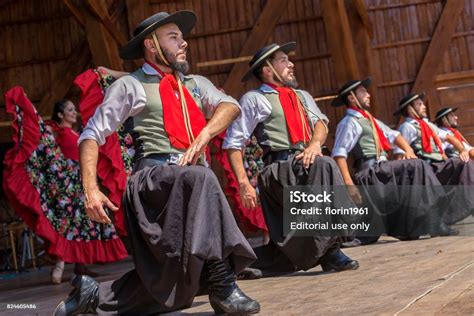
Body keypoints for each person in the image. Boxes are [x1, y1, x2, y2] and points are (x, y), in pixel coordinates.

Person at [54, 10, 259, 315]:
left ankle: (92, 297)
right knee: (201, 177)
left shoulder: (194, 84)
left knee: (177, 287)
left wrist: (204, 134)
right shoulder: (130, 86)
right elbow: (91, 134)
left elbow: (229, 106)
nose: (184, 43)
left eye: (182, 36)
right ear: (151, 44)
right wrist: (90, 190)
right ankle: (222, 284)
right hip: (152, 182)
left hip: (188, 184)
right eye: (174, 37)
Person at [224, 42, 359, 273]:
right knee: (325, 165)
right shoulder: (254, 99)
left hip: (307, 162)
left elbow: (320, 124)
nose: (291, 64)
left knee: (321, 163)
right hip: (277, 169)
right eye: (284, 60)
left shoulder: (302, 96)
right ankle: (331, 251)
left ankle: (326, 249)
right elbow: (233, 144)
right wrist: (244, 184)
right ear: (267, 69)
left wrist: (315, 144)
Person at [3, 89, 128, 285]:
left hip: (81, 184)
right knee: (68, 224)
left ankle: (80, 267)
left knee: (85, 223)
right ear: (60, 114)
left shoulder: (77, 132)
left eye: (74, 109)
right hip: (65, 186)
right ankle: (61, 265)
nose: (74, 112)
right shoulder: (56, 132)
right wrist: (26, 105)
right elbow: (41, 139)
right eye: (70, 109)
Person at [331, 79, 456, 241]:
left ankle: (412, 225)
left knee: (415, 168)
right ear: (352, 98)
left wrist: (409, 150)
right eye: (363, 92)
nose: (368, 95)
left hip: (381, 168)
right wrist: (348, 185)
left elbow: (394, 135)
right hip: (368, 172)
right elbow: (339, 153)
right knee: (416, 166)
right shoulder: (349, 123)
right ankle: (433, 220)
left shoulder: (369, 119)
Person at [393, 93, 474, 225]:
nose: (424, 106)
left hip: (439, 164)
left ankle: (465, 206)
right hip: (426, 167)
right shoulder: (406, 128)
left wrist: (462, 151)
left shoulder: (425, 124)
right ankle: (448, 215)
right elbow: (400, 155)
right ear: (410, 109)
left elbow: (449, 137)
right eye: (419, 104)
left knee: (465, 163)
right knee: (460, 163)